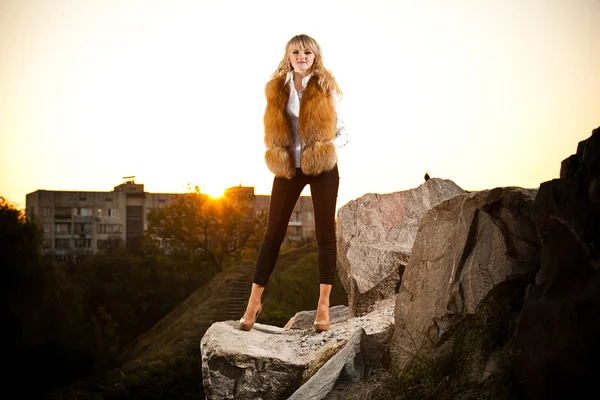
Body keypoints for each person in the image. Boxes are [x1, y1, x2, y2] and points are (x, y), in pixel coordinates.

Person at [239, 34, 349, 333]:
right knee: (272, 234)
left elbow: (343, 128)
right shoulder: (278, 89)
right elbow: (273, 127)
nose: (302, 56)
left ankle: (323, 306)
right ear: (288, 56)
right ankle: (253, 303)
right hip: (289, 167)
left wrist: (325, 144)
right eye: (296, 51)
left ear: (315, 56)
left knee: (326, 234)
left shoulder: (325, 86)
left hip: (322, 165)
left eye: (307, 52)